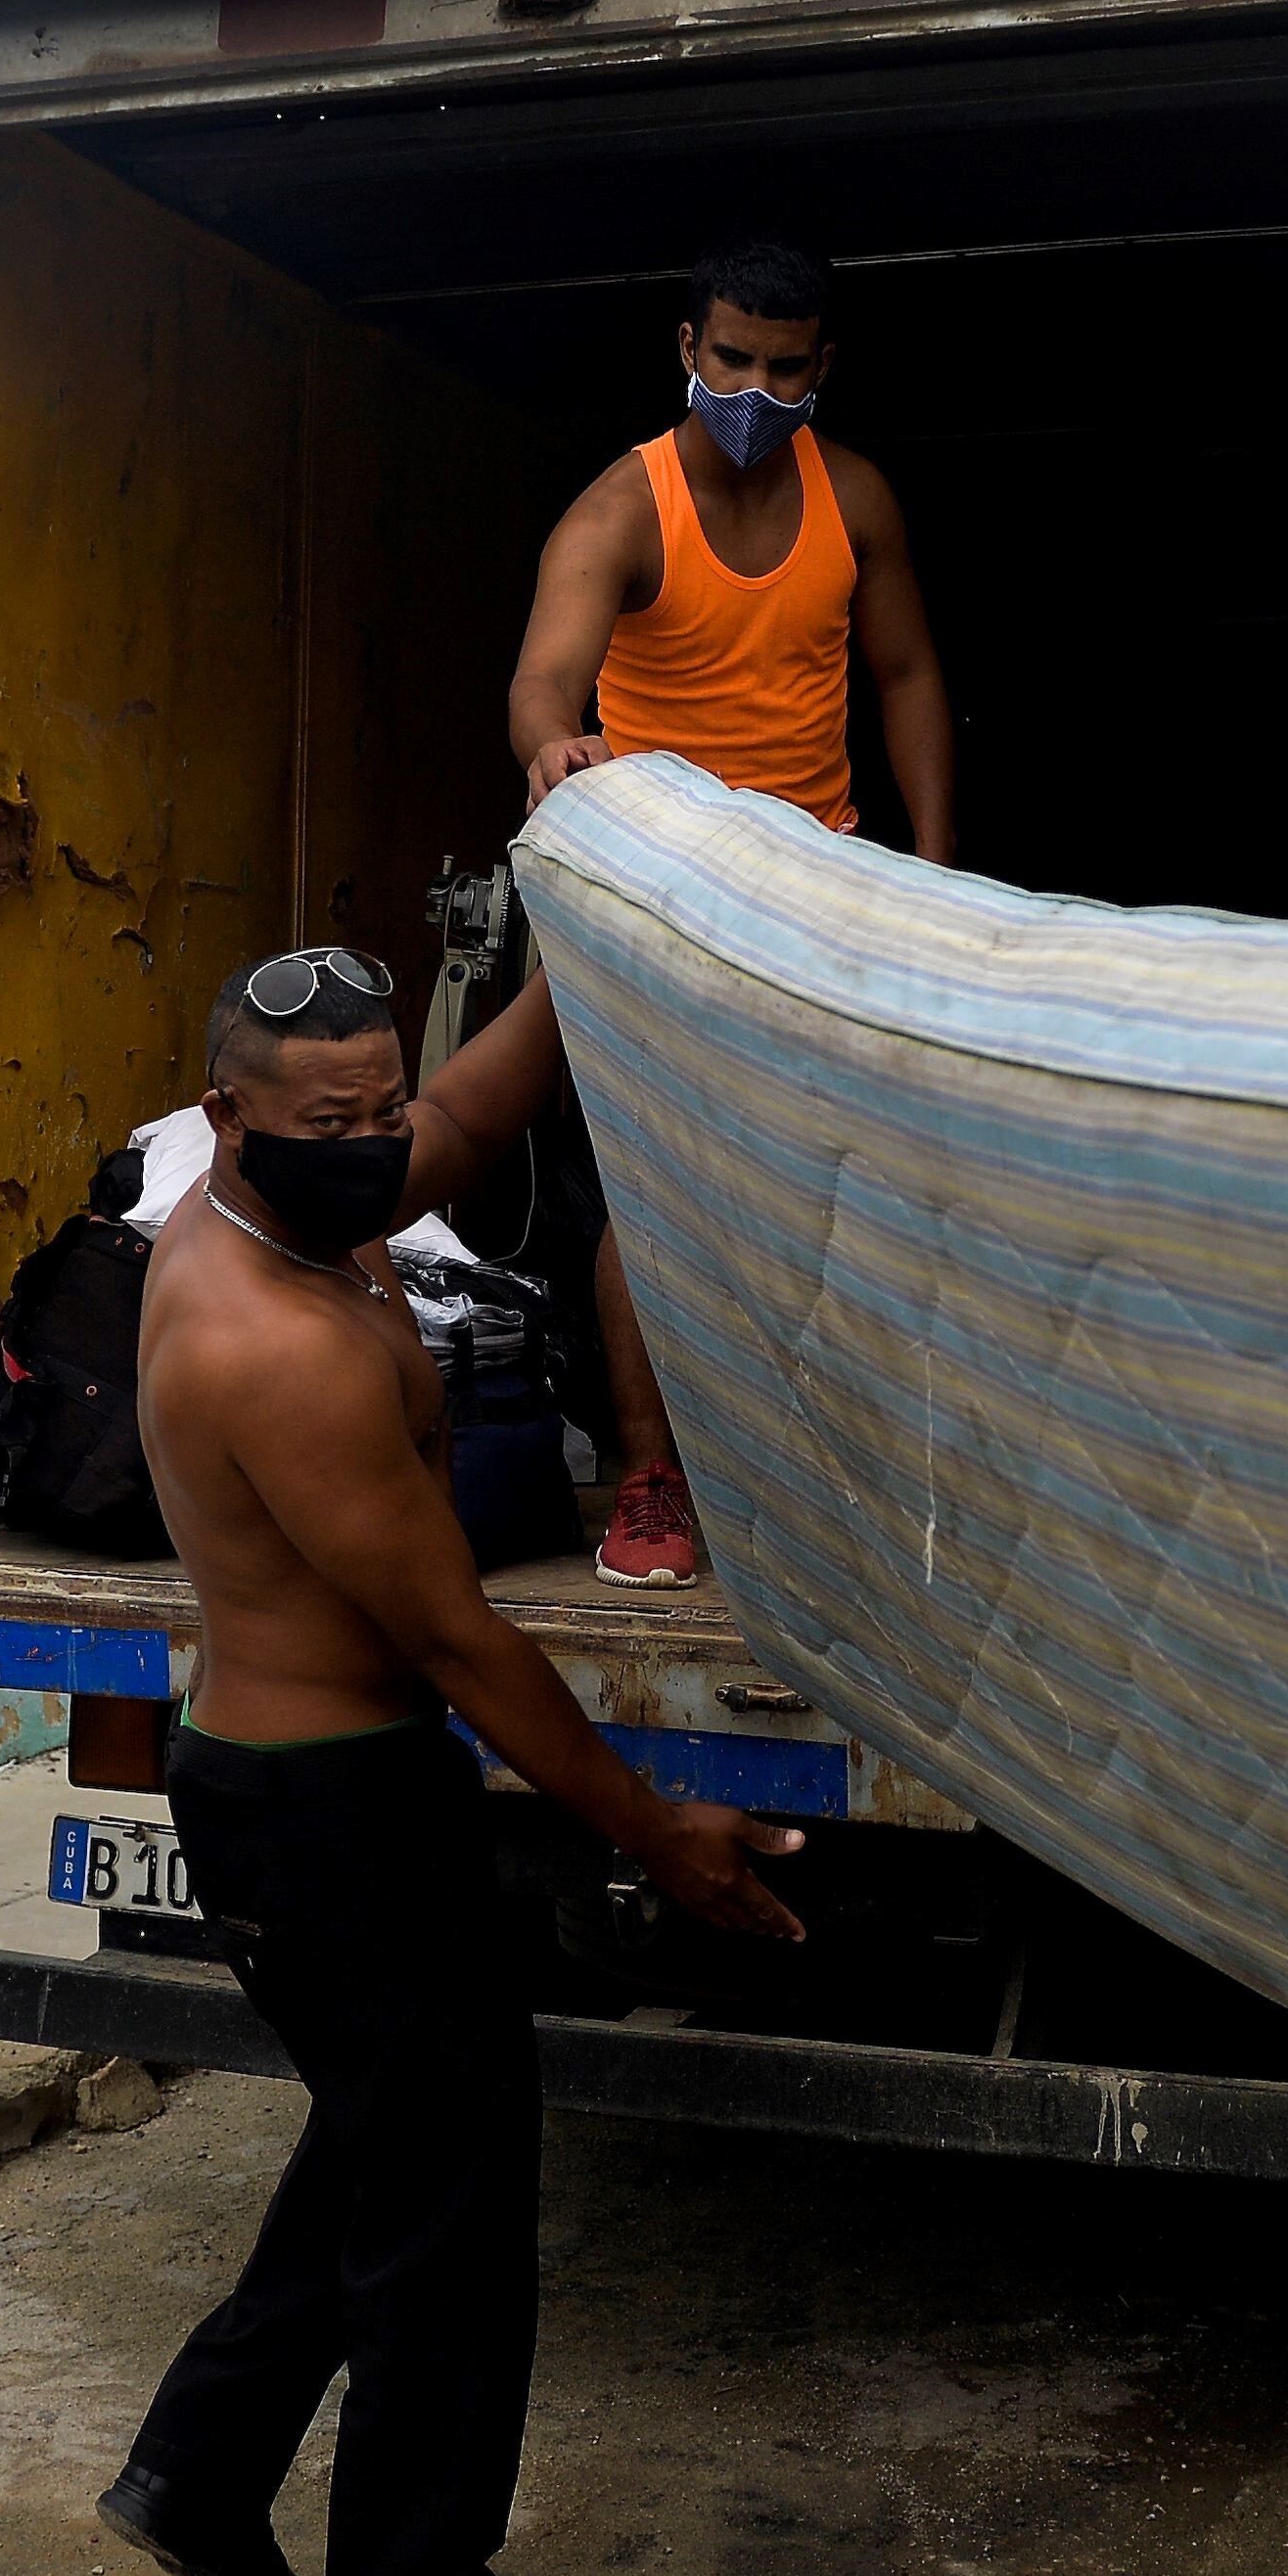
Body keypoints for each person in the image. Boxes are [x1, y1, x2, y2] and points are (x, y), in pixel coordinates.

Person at [96, 946, 809, 2576]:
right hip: (324, 1807)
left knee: (388, 2139)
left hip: (334, 1786)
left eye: (379, 1107)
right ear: (227, 1119)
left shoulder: (314, 1188)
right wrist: (654, 1830)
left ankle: (195, 2471)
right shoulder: (269, 1335)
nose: (372, 1144)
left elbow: (475, 1111)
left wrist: (580, 916)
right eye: (329, 1120)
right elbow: (465, 1647)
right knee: (448, 2228)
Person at [507, 235, 954, 1591]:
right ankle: (651, 1477)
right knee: (656, 1199)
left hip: (815, 885)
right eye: (733, 359)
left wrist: (930, 862)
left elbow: (908, 673)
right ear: (686, 348)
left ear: (824, 366)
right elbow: (542, 683)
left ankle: (832, 1476)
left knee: (842, 1191)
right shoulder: (620, 509)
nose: (755, 388)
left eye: (785, 365)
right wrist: (554, 749)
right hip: (664, 894)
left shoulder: (854, 496)